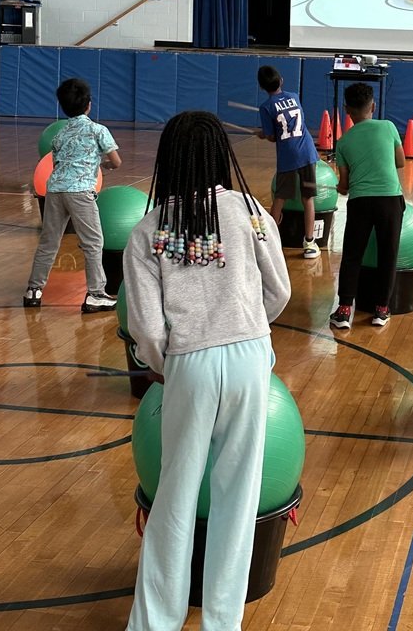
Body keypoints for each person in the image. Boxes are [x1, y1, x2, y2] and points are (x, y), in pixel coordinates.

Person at [122, 111, 292, 631]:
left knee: (175, 496)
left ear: (168, 160)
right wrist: (247, 328)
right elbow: (279, 291)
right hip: (249, 357)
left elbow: (146, 328)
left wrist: (169, 364)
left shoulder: (149, 229)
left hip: (188, 362)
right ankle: (222, 623)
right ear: (221, 155)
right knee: (238, 498)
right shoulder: (251, 212)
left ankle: (154, 623)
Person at [23, 77, 121, 313]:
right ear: (89, 104)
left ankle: (34, 290)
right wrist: (103, 165)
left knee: (48, 242)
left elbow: (58, 164)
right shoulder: (98, 130)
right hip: (80, 193)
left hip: (55, 191)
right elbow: (116, 161)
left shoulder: (60, 134)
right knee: (93, 243)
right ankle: (96, 294)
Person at [329, 82, 405, 329]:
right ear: (372, 106)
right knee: (388, 254)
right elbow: (400, 162)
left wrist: (341, 188)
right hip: (390, 200)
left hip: (360, 202)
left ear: (346, 109)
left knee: (352, 255)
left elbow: (344, 185)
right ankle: (381, 309)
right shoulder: (388, 127)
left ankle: (344, 310)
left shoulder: (343, 142)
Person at [256, 65, 321, 260]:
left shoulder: (266, 107)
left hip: (288, 158)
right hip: (307, 154)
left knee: (280, 199)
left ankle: (270, 244)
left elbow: (272, 137)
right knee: (308, 199)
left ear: (261, 87)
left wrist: (263, 134)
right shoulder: (294, 96)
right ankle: (309, 242)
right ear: (281, 80)